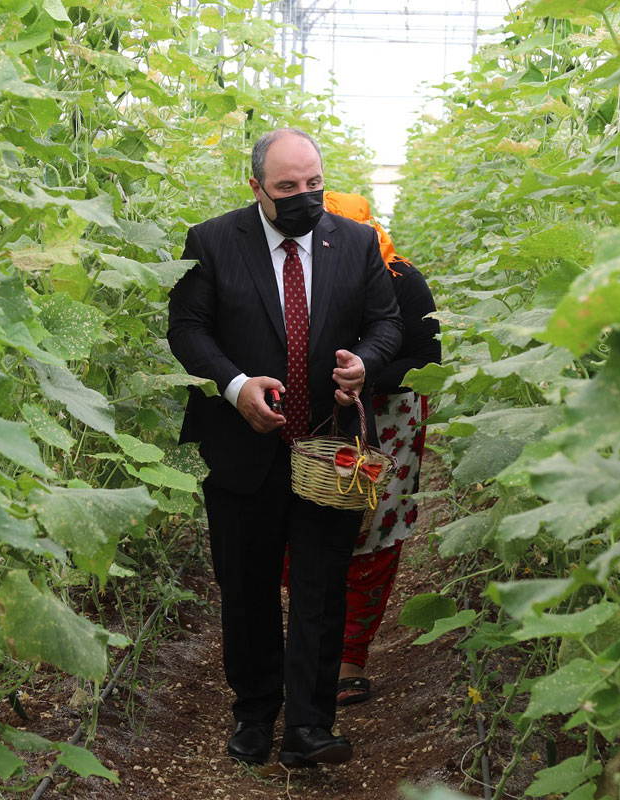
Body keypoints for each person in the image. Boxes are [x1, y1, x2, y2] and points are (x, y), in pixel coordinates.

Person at [167, 129, 402, 768]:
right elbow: (186, 327)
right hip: (246, 447)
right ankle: (254, 714)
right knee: (246, 588)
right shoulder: (213, 241)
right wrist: (236, 385)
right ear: (257, 189)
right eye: (287, 187)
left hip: (330, 444)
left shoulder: (353, 242)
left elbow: (387, 322)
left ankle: (309, 724)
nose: (305, 197)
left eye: (313, 183)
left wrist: (366, 366)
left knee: (322, 588)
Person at [320, 192, 441, 706]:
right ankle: (310, 643)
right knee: (309, 525)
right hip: (318, 417)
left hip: (388, 421)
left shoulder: (403, 280)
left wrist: (365, 378)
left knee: (373, 532)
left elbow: (428, 359)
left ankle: (350, 657)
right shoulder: (296, 276)